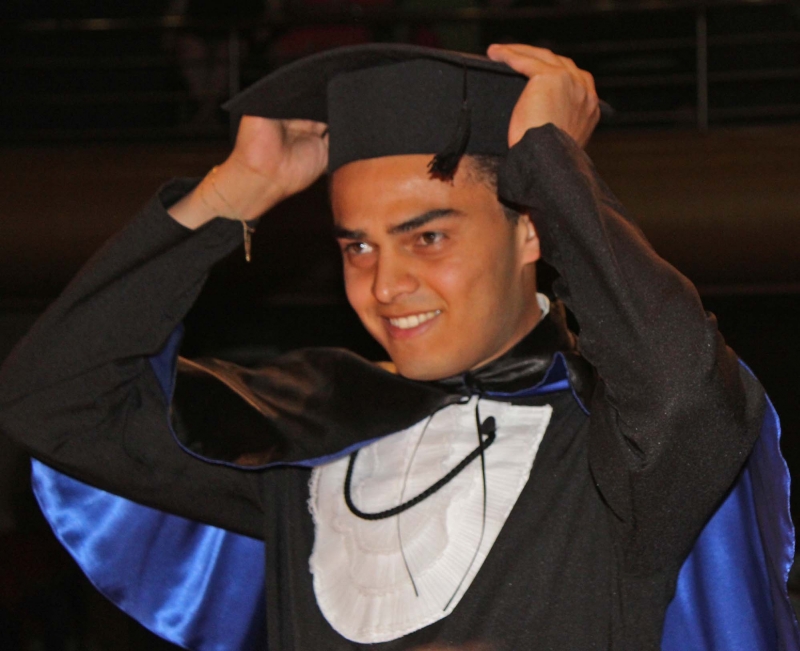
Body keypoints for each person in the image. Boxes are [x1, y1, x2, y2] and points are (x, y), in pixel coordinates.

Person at [0, 42, 797, 650]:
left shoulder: (617, 456)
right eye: (358, 246)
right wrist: (231, 194)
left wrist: (554, 164)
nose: (384, 285)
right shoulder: (308, 438)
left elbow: (689, 395)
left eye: (427, 236)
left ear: (533, 230)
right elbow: (52, 399)